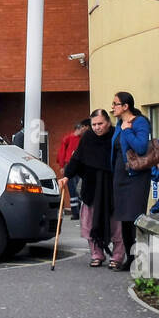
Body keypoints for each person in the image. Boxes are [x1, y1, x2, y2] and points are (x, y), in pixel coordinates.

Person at [58, 110, 113, 266]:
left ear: (108, 122)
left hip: (111, 187)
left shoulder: (115, 136)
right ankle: (96, 254)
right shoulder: (87, 137)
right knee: (89, 223)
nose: (97, 127)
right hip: (91, 187)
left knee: (115, 224)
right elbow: (77, 158)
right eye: (94, 124)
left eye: (100, 123)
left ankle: (117, 256)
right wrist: (67, 176)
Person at [108, 91, 151, 271]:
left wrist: (127, 130)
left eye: (115, 104)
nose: (112, 107)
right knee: (124, 219)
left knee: (134, 217)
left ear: (125, 106)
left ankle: (141, 258)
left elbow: (141, 147)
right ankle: (130, 258)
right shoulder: (119, 124)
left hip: (136, 177)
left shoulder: (139, 122)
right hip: (120, 176)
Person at [57, 119, 88, 219]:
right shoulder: (68, 138)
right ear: (79, 129)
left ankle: (79, 211)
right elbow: (62, 152)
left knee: (78, 189)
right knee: (72, 189)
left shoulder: (82, 139)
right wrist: (62, 166)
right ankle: (75, 212)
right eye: (83, 128)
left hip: (79, 165)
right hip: (69, 165)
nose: (84, 130)